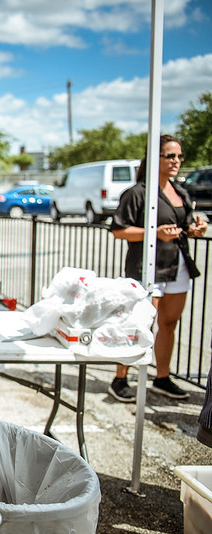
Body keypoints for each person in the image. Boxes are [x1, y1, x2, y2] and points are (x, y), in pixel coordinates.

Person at [107, 134, 207, 403]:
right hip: (147, 267)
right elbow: (119, 230)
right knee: (140, 323)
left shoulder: (180, 192)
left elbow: (182, 228)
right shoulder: (138, 193)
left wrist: (195, 230)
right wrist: (154, 233)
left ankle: (162, 377)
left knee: (169, 323)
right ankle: (120, 378)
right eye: (170, 156)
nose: (176, 161)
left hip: (178, 267)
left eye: (179, 156)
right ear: (155, 158)